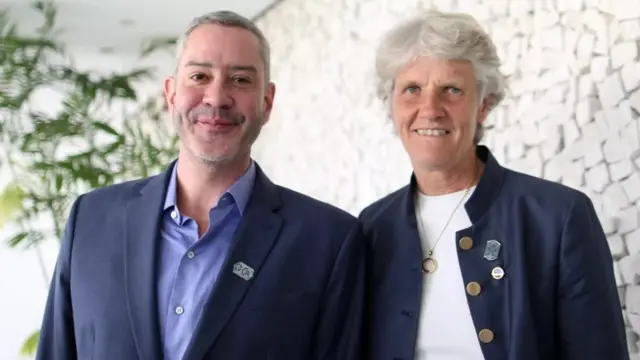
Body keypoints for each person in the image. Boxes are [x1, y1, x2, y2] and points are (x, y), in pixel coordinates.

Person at [35, 10, 365, 360]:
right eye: (199, 76)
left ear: (267, 102)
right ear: (170, 93)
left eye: (240, 80)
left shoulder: (328, 241)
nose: (217, 97)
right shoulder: (91, 220)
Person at [359, 9, 628, 360]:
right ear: (391, 105)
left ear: (483, 105)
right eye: (412, 89)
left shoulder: (559, 217)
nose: (430, 108)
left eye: (452, 90)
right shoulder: (370, 228)